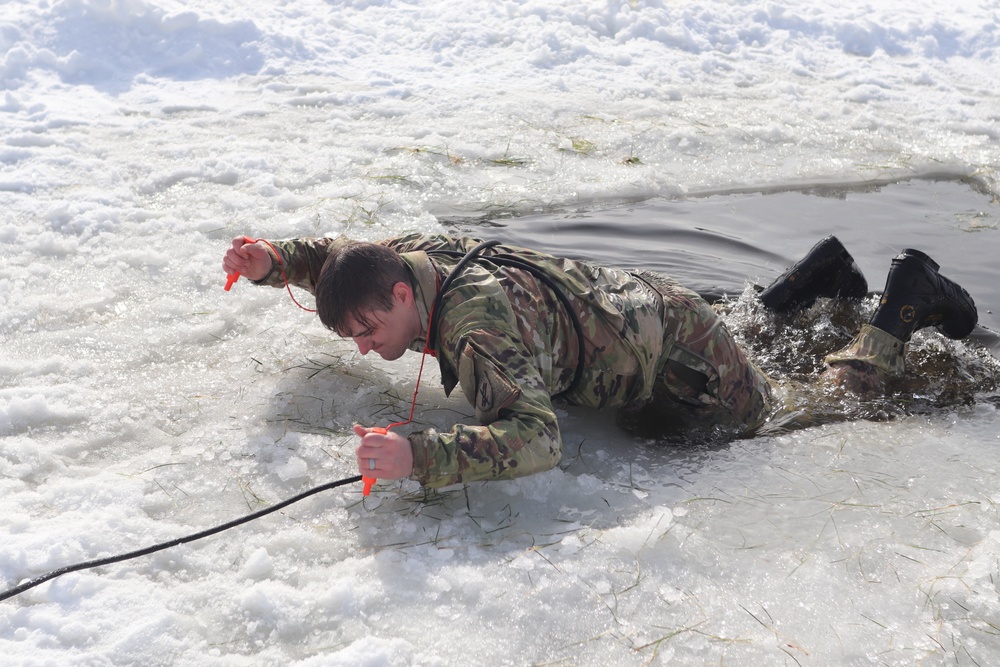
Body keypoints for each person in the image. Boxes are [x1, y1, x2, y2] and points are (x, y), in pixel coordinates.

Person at [221, 233, 978, 489]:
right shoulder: (410, 265)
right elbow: (341, 262)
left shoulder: (476, 328)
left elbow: (536, 438)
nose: (363, 346)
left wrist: (419, 455)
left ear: (400, 293)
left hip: (676, 350)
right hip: (640, 307)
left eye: (367, 329)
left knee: (798, 404)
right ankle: (813, 279)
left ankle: (898, 309)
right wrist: (277, 261)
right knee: (741, 346)